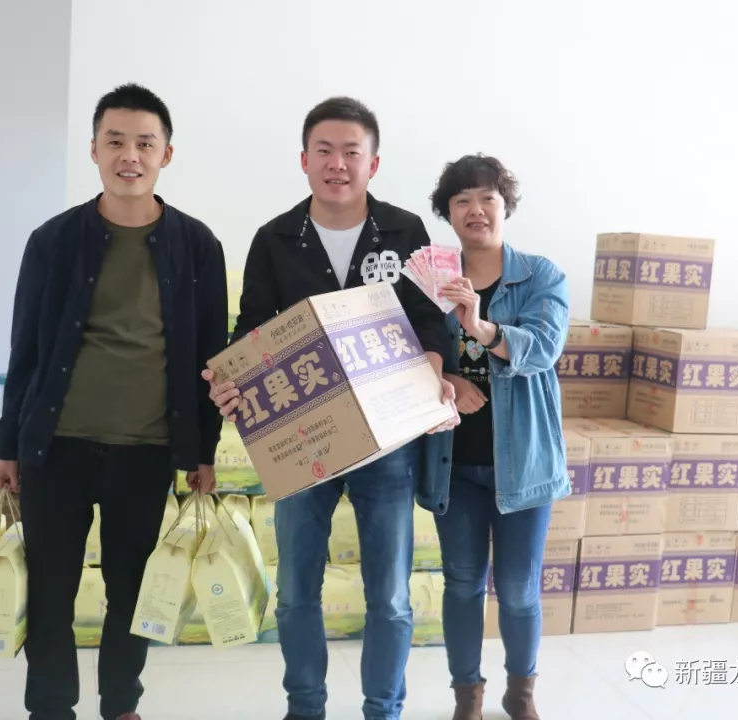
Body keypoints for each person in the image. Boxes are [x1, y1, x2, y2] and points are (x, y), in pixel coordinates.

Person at [202, 96, 456, 720]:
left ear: (373, 164)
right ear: (304, 160)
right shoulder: (274, 237)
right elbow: (252, 328)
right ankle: (305, 708)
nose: (337, 164)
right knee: (295, 593)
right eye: (324, 151)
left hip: (387, 441)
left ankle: (383, 710)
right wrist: (229, 379)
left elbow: (430, 320)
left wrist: (432, 366)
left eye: (351, 152)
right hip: (304, 440)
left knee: (390, 597)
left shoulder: (405, 233)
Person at [0, 83, 228, 720]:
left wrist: (203, 450)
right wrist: (8, 444)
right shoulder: (53, 240)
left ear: (166, 154)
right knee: (50, 592)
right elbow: (25, 349)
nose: (130, 155)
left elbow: (211, 356)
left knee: (132, 592)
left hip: (145, 451)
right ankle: (50, 709)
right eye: (115, 141)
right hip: (56, 448)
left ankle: (122, 704)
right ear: (93, 149)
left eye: (145, 143)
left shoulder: (197, 244)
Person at [416, 154, 571, 720]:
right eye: (462, 200)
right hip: (453, 462)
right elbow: (409, 353)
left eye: (487, 198)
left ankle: (521, 693)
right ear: (448, 212)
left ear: (506, 207)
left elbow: (543, 348)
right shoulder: (430, 278)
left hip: (524, 462)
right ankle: (468, 697)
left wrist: (482, 327)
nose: (475, 209)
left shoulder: (540, 275)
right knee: (461, 583)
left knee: (519, 588)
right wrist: (449, 378)